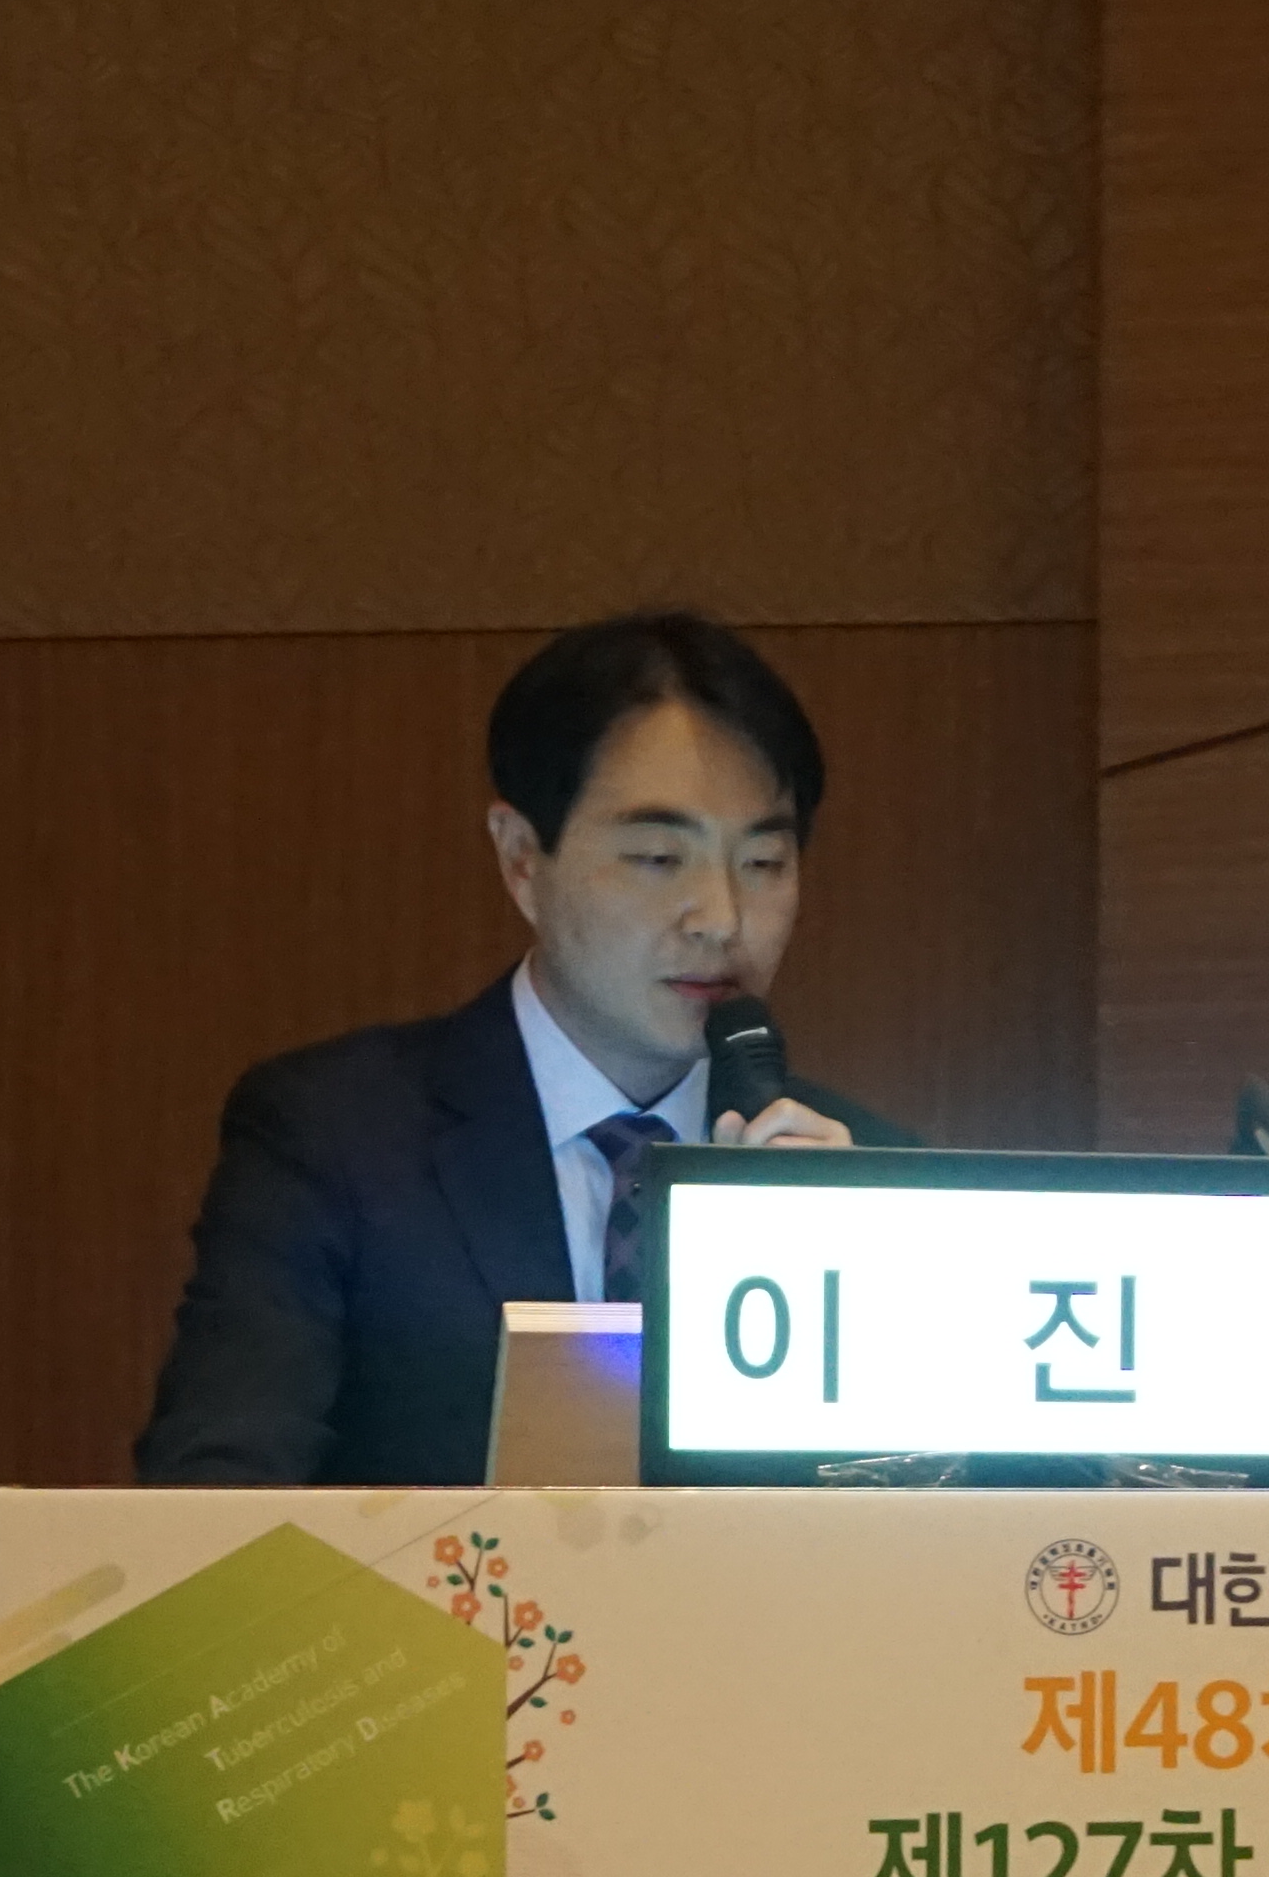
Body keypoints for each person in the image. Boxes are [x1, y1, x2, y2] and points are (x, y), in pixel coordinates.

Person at [134, 611, 915, 1484]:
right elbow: (216, 1484)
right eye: (659, 858)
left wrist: (857, 1286)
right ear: (520, 860)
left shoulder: (873, 1177)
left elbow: (964, 1528)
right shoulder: (338, 1139)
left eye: (764, 864)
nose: (721, 920)